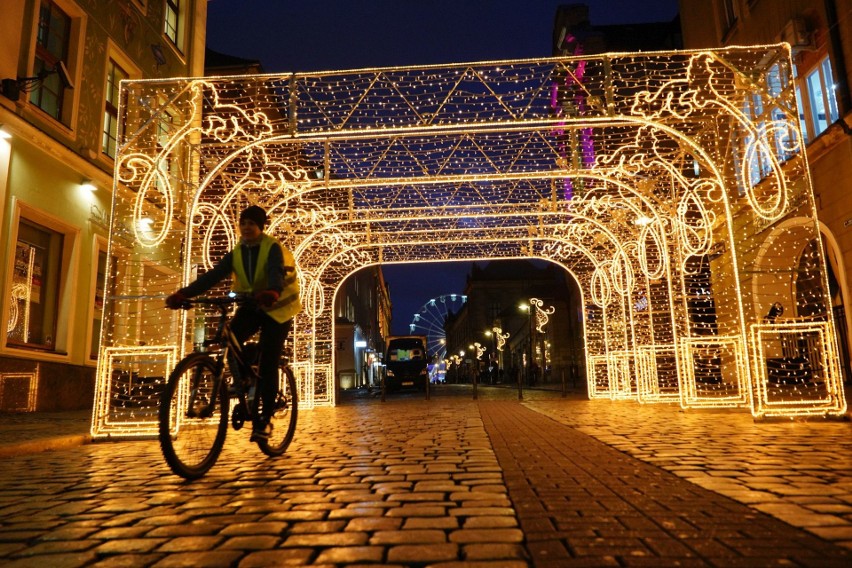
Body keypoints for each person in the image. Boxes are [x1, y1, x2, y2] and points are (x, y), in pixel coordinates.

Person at [165, 205, 300, 441]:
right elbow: (212, 276)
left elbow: (275, 272)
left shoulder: (272, 249)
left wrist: (273, 291)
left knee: (269, 361)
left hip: (278, 308)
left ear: (261, 227)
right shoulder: (237, 253)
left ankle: (265, 420)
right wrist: (184, 293)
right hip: (251, 306)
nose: (247, 227)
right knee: (231, 341)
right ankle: (248, 377)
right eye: (243, 223)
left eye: (252, 224)